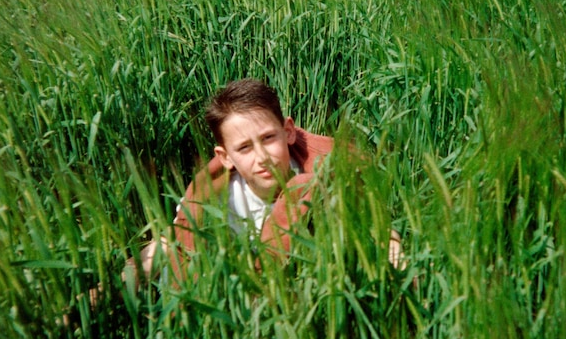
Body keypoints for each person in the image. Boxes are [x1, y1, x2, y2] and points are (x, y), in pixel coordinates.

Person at [131, 78, 403, 283]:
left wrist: (393, 252)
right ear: (225, 157)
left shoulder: (324, 174)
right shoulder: (217, 197)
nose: (262, 157)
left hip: (310, 278)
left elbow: (375, 225)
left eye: (268, 138)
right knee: (158, 250)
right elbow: (181, 240)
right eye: (245, 148)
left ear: (288, 132)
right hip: (238, 280)